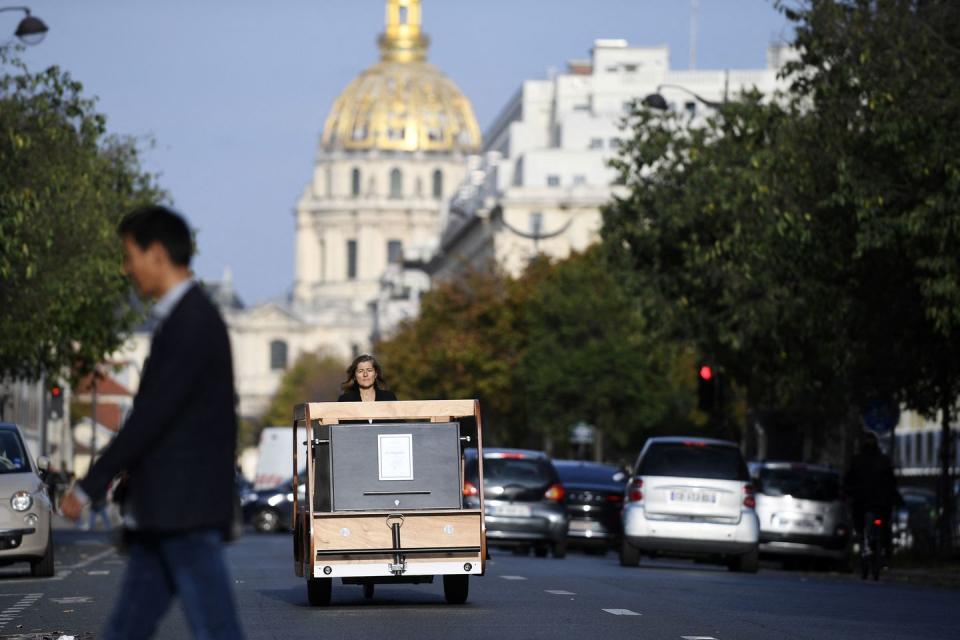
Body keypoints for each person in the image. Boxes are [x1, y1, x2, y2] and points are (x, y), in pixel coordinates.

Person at [59, 205, 244, 639]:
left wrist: (90, 484)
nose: (126, 269)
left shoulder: (192, 322)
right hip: (166, 511)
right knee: (128, 629)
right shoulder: (185, 319)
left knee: (214, 630)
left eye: (129, 255)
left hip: (184, 512)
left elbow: (153, 415)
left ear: (157, 253)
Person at [844, 432, 901, 562]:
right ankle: (885, 552)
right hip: (880, 503)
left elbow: (848, 480)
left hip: (862, 502)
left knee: (861, 525)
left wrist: (848, 493)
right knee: (883, 525)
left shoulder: (857, 460)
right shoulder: (883, 460)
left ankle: (865, 543)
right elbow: (892, 482)